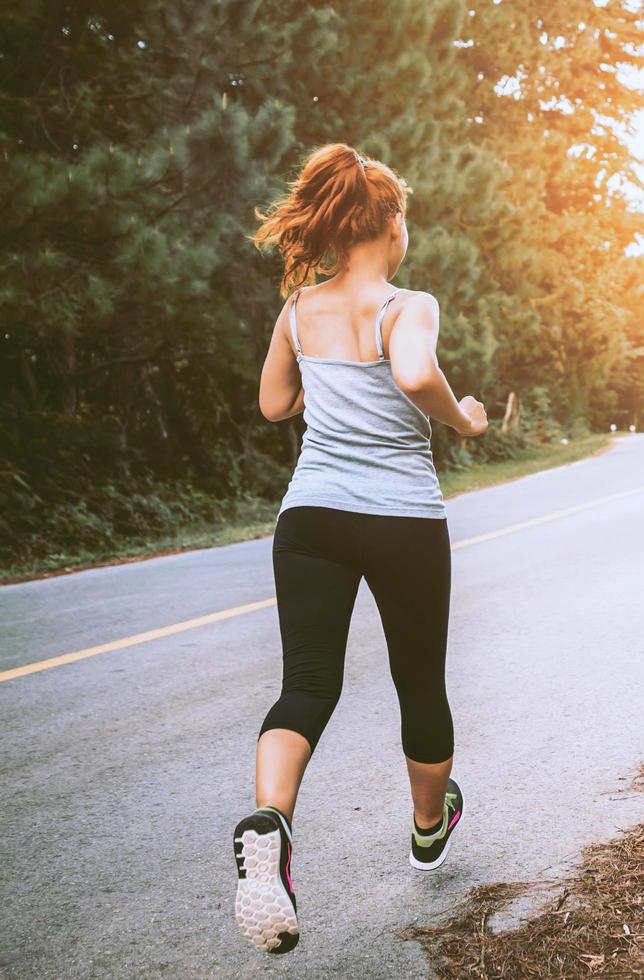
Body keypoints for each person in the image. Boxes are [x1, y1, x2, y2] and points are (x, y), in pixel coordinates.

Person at [233, 143, 488, 955]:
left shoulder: (298, 311)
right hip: (401, 519)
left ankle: (271, 821)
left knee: (306, 684)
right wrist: (466, 419)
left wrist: (325, 375)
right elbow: (415, 376)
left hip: (310, 518)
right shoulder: (408, 305)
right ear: (388, 225)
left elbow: (274, 405)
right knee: (419, 680)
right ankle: (426, 826)